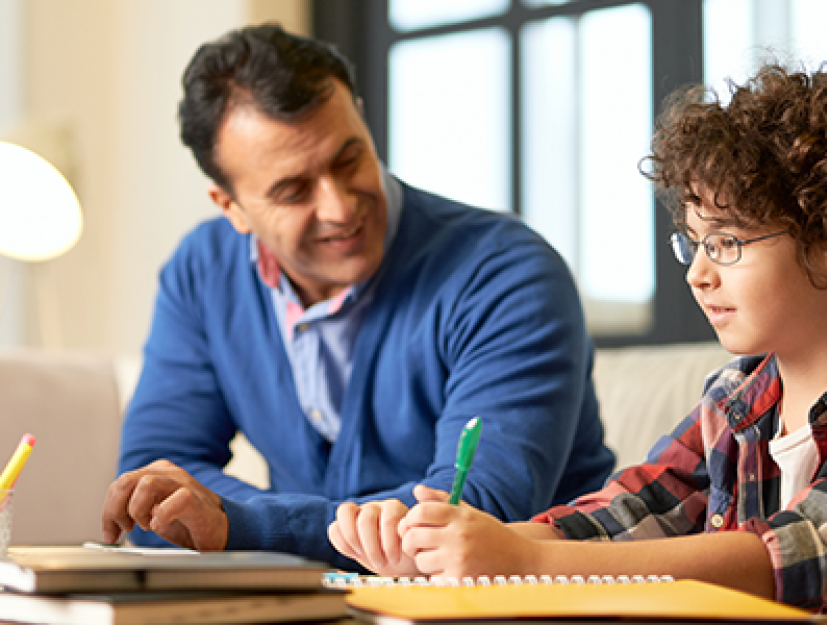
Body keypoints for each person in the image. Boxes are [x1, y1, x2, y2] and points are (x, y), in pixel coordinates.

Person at [100, 23, 615, 570]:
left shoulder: (504, 272)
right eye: (294, 190)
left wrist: (238, 524)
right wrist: (245, 528)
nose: (340, 207)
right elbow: (152, 493)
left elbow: (470, 516)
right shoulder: (202, 272)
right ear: (231, 207)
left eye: (349, 160)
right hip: (305, 604)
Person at [329, 61, 827, 609]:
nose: (697, 273)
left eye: (727, 242)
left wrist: (531, 564)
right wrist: (439, 549)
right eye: (693, 243)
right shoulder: (734, 398)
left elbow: (787, 555)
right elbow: (626, 514)